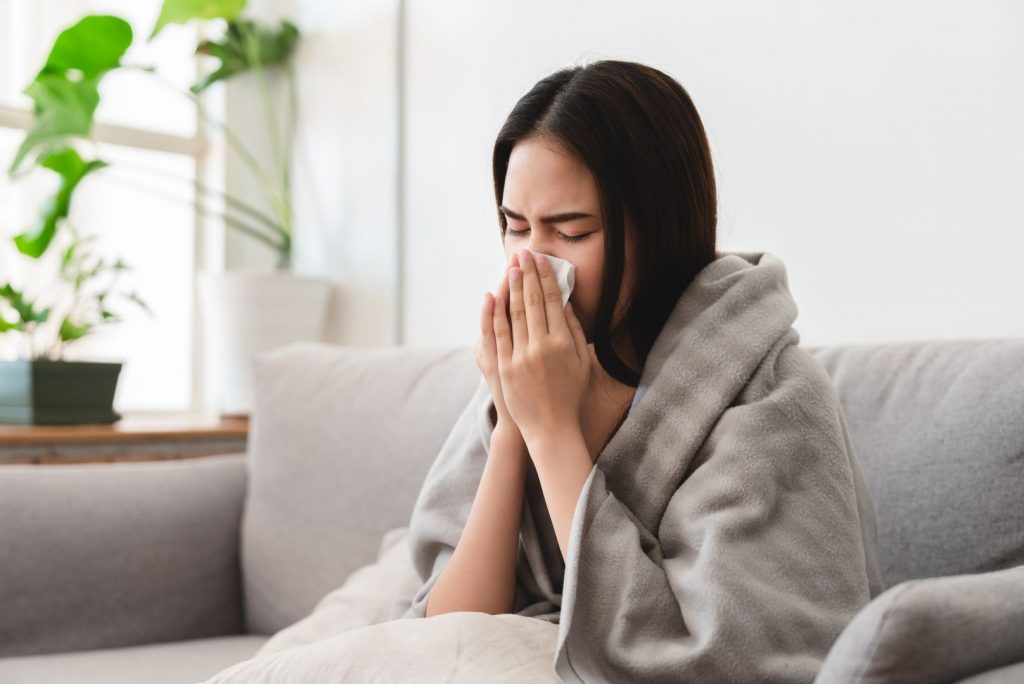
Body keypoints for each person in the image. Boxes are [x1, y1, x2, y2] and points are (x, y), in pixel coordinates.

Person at [402, 59, 883, 683]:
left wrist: (554, 435)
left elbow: (729, 655)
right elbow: (450, 632)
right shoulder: (530, 372)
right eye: (515, 227)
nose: (532, 265)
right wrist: (516, 426)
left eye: (570, 231)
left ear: (657, 228)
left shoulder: (771, 396)